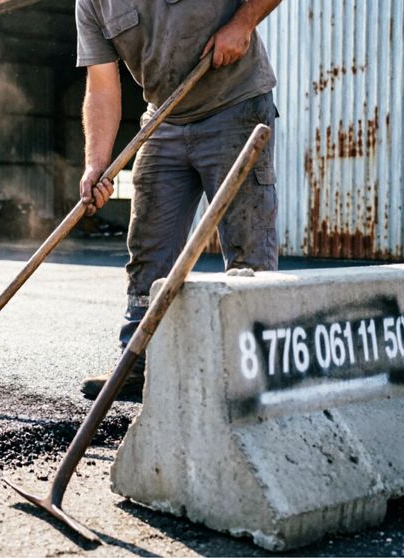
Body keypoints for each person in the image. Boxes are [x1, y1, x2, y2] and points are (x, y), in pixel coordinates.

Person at [75, 0, 282, 399]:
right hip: (163, 118)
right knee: (148, 246)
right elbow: (101, 84)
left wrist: (243, 22)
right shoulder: (91, 3)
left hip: (234, 105)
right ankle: (138, 359)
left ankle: (252, 368)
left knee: (247, 247)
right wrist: (96, 165)